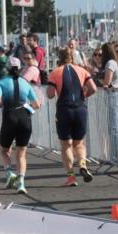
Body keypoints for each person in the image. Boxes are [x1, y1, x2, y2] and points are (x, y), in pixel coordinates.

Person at [46, 47, 97, 187]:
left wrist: (51, 89)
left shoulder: (55, 72)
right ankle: (83, 165)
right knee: (79, 143)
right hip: (80, 108)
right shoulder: (82, 70)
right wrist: (83, 97)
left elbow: (50, 94)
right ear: (73, 57)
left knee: (66, 144)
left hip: (64, 109)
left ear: (59, 58)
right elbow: (94, 88)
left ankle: (71, 177)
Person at [0, 57, 41, 194]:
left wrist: (3, 104)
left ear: (7, 69)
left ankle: (9, 174)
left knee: (4, 150)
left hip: (9, 117)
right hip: (24, 118)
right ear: (20, 68)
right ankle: (21, 182)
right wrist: (27, 107)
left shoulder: (1, 83)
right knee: (21, 153)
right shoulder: (26, 84)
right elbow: (37, 104)